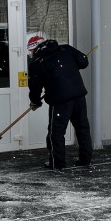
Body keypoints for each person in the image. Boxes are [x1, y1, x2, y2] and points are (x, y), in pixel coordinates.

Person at [27, 36, 93, 169]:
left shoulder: (37, 63)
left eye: (31, 51)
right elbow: (84, 63)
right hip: (78, 96)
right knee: (82, 129)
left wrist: (35, 101)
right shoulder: (66, 49)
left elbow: (35, 86)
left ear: (35, 49)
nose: (31, 54)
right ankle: (85, 160)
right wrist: (74, 62)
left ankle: (57, 164)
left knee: (56, 133)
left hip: (60, 101)